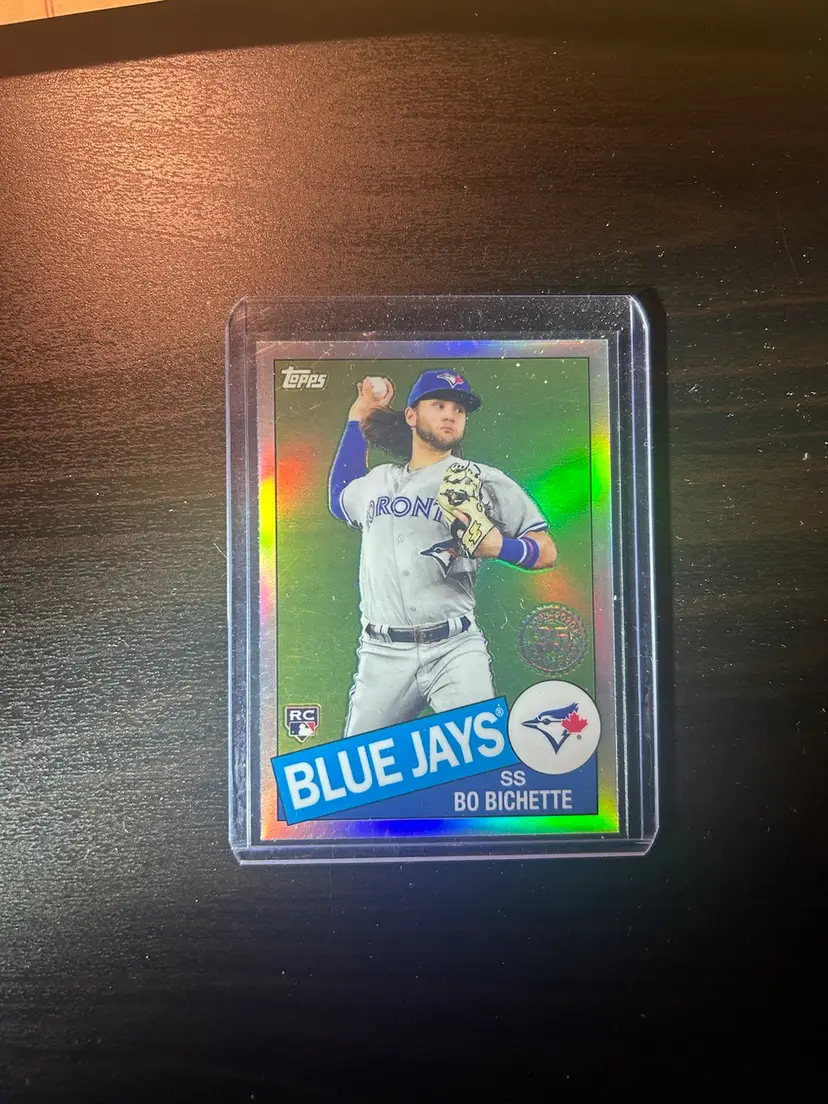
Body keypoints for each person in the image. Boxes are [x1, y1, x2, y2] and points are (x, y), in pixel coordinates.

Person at [328, 369, 557, 737]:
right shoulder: (379, 481)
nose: (451, 414)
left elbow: (546, 551)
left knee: (484, 758)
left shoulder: (481, 478)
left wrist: (501, 546)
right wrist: (358, 417)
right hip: (382, 655)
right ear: (411, 415)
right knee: (359, 766)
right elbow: (340, 497)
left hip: (456, 649)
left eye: (459, 409)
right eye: (439, 405)